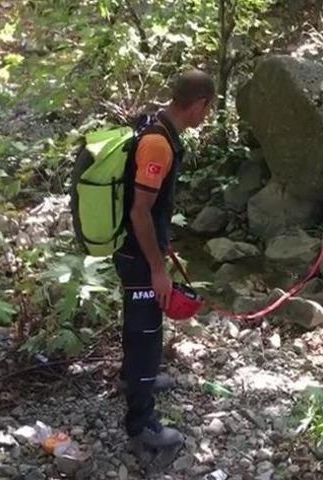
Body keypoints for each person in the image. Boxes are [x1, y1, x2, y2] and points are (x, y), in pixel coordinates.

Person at [113, 69, 214, 453]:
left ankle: (130, 378)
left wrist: (162, 245)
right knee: (146, 336)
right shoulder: (158, 145)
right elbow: (140, 212)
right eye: (209, 109)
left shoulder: (157, 125)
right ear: (200, 104)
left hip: (136, 247)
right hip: (136, 254)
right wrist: (157, 268)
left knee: (139, 325)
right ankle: (142, 427)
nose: (206, 116)